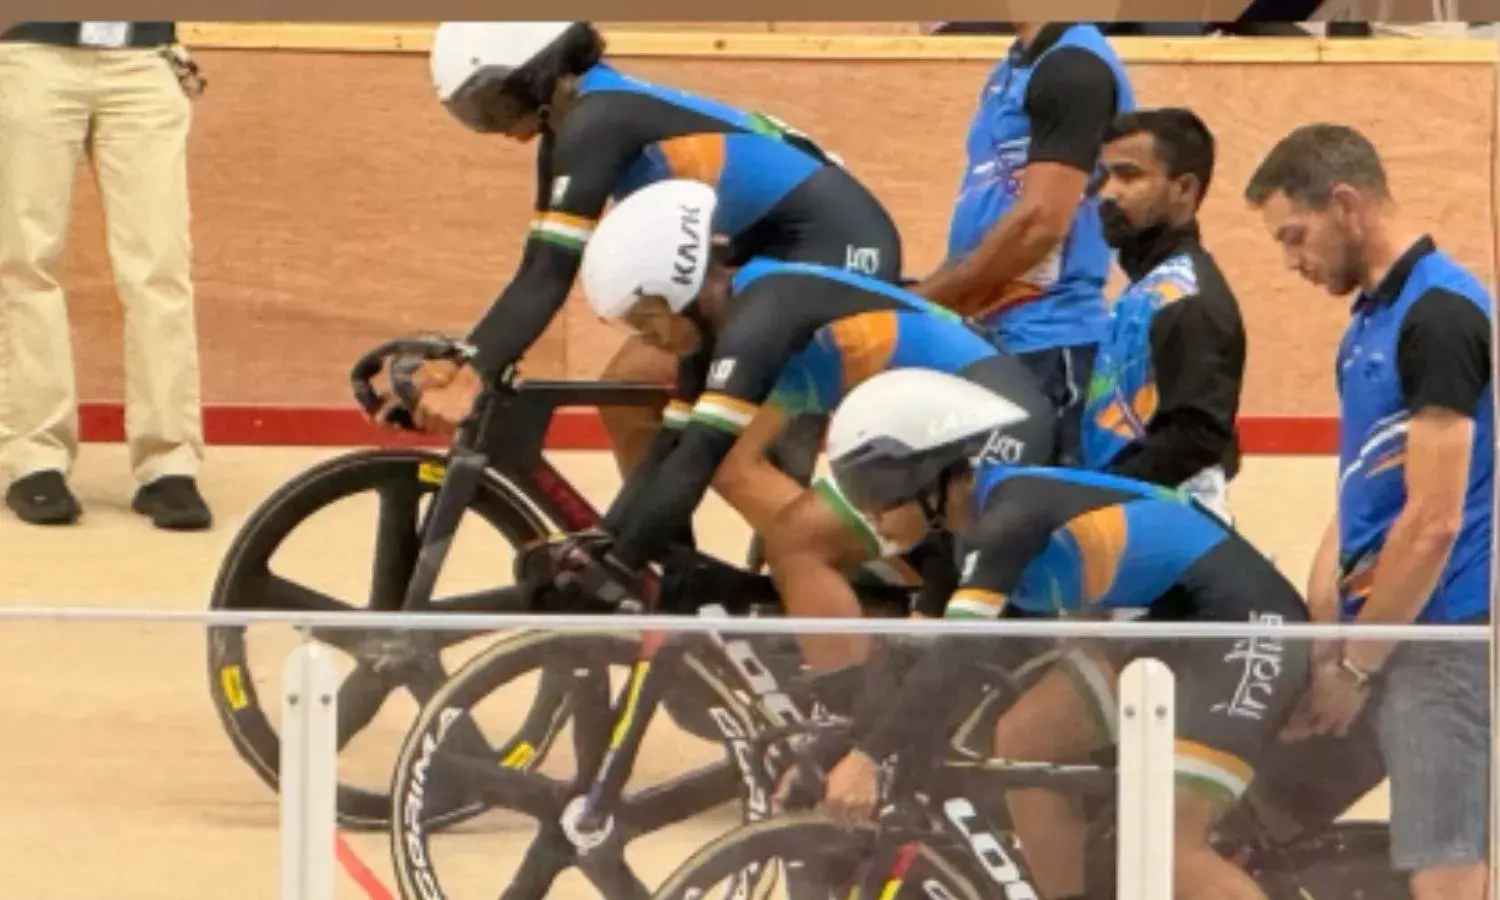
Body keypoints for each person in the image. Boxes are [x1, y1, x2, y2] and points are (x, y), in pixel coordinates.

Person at [530, 177, 1054, 685]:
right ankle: (868, 678)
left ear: (679, 288)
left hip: (993, 429)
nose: (650, 339)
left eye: (648, 319)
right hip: (947, 437)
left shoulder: (763, 316)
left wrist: (624, 562)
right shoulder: (721, 324)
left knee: (798, 540)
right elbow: (669, 451)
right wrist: (606, 543)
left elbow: (701, 457)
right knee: (813, 543)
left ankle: (848, 714)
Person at [814, 367, 1312, 900]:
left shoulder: (1009, 518)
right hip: (1165, 633)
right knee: (1025, 738)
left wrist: (869, 757)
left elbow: (959, 651)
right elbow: (934, 658)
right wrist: (861, 744)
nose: (872, 518)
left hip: (1242, 628)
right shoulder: (970, 531)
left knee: (1166, 847)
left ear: (925, 479)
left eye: (876, 498)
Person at [412, 21, 903, 503]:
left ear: (539, 71)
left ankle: (804, 547)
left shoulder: (597, 120)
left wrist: (472, 368)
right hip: (779, 253)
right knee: (632, 391)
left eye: (495, 105)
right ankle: (660, 553)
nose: (496, 128)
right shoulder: (574, 120)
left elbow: (548, 277)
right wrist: (467, 357)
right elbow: (537, 267)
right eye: (475, 115)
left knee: (731, 461)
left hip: (832, 250)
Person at [1233, 123, 1492, 900]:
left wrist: (1355, 665)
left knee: (1443, 863)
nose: (1292, 261)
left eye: (1295, 235)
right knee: (1257, 819)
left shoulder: (1441, 315)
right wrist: (1326, 638)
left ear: (1344, 205)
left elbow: (1434, 521)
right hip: (1371, 639)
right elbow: (1357, 497)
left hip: (1437, 638)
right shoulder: (1370, 324)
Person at [0, 21, 211, 529]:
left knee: (160, 269)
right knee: (26, 265)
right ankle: (34, 459)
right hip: (32, 52)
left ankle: (169, 463)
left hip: (142, 54)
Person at [917, 22, 1136, 467]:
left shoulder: (1074, 67)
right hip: (997, 335)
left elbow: (1039, 225)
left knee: (1029, 506)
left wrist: (928, 303)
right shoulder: (1014, 67)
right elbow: (993, 217)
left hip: (1049, 345)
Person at [1084, 107, 1247, 521]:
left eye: (1129, 176)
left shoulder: (1188, 296)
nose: (1108, 193)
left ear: (1184, 188)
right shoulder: (1148, 288)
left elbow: (1198, 435)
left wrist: (1097, 499)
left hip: (1167, 532)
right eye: (1104, 177)